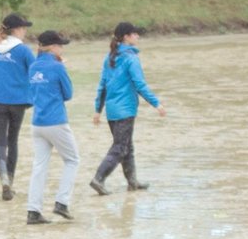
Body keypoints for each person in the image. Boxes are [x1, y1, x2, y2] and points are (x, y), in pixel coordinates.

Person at [89, 21, 166, 195]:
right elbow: (139, 84)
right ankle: (98, 179)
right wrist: (156, 103)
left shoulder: (109, 57)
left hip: (112, 110)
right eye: (135, 33)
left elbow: (102, 86)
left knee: (127, 146)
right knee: (120, 147)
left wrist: (97, 110)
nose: (138, 36)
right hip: (125, 110)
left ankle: (132, 182)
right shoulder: (131, 58)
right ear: (126, 37)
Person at [25, 30, 79, 225]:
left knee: (39, 167)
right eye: (60, 45)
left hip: (37, 123)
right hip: (56, 121)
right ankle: (61, 202)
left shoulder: (32, 66)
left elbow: (31, 95)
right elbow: (68, 94)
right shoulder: (57, 67)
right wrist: (61, 68)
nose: (62, 48)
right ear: (53, 47)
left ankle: (33, 211)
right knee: (72, 160)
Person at [0, 12, 35, 201]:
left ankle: (3, 179)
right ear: (16, 30)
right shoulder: (24, 51)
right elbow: (34, 75)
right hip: (18, 102)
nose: (25, 31)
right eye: (23, 28)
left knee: (0, 143)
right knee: (13, 141)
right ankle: (9, 182)